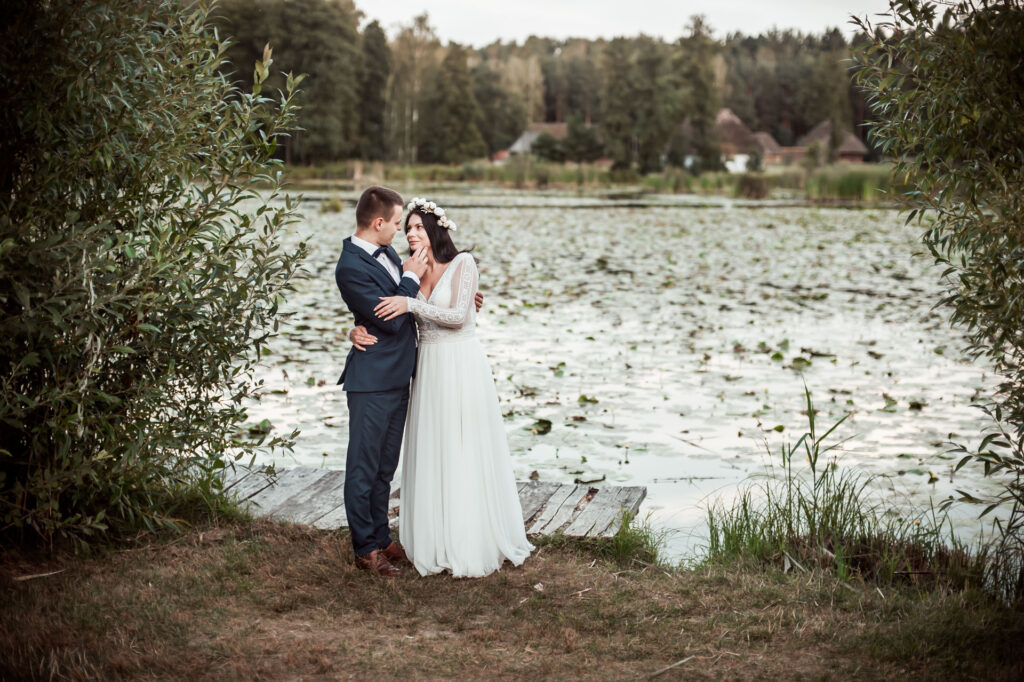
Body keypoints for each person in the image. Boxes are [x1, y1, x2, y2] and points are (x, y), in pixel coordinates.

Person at [353, 197, 534, 578]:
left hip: (461, 364)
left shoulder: (463, 263)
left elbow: (455, 316)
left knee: (463, 445)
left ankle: (470, 536)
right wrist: (355, 329)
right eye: (407, 227)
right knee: (433, 447)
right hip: (428, 367)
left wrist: (413, 304)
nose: (410, 233)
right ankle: (433, 537)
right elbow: (378, 308)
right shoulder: (407, 268)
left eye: (418, 227)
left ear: (436, 229)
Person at [334, 186, 428, 577]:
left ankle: (380, 535)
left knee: (384, 467)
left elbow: (410, 298)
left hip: (398, 376)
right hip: (371, 380)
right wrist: (410, 278)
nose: (399, 230)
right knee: (363, 467)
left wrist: (464, 298)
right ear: (377, 223)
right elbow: (389, 319)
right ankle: (365, 549)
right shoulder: (349, 266)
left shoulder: (386, 252)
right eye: (396, 222)